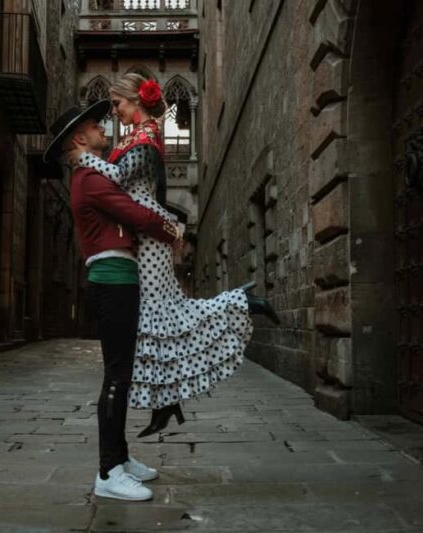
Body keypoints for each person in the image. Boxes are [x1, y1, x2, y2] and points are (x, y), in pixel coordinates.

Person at [70, 73, 280, 439]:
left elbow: (118, 177)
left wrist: (83, 160)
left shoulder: (146, 135)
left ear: (135, 100)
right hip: (146, 234)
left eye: (118, 104)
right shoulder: (139, 134)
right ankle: (166, 403)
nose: (115, 113)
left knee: (161, 311)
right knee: (157, 316)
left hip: (149, 238)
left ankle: (243, 302)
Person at [43, 101, 182, 502]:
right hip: (113, 280)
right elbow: (133, 213)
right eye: (93, 125)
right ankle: (107, 471)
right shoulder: (88, 177)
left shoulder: (89, 174)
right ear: (79, 139)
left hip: (119, 278)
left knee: (120, 373)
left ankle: (119, 458)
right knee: (117, 376)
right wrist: (172, 229)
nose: (102, 127)